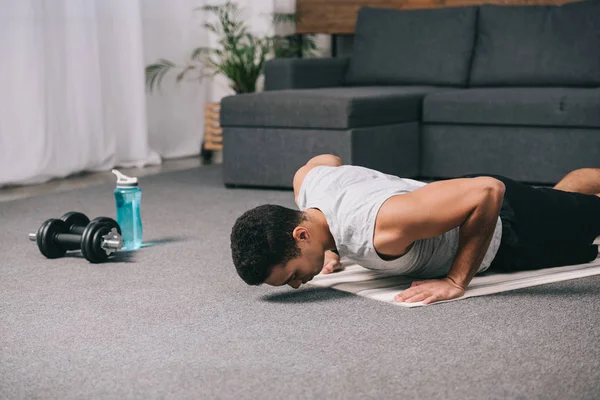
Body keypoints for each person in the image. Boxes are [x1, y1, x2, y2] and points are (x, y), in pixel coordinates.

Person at [230, 154, 600, 305]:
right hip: (451, 203)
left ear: (301, 235)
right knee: (562, 199)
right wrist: (330, 250)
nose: (300, 284)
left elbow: (488, 191)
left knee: (587, 219)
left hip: (508, 225)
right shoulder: (308, 185)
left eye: (294, 275)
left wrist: (456, 282)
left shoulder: (379, 227)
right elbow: (326, 159)